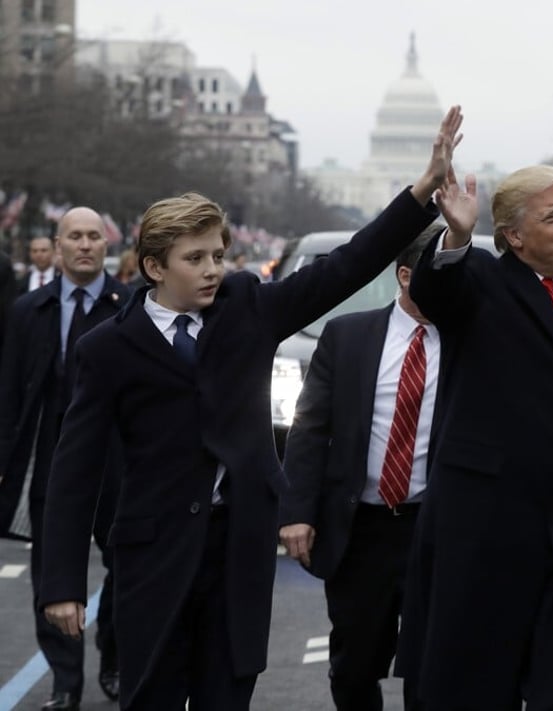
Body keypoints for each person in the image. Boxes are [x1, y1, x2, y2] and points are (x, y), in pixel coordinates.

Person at [37, 105, 466, 711]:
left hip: (237, 548)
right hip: (152, 553)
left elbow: (348, 265)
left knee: (227, 697)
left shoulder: (248, 310)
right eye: (196, 259)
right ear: (155, 266)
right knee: (150, 696)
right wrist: (61, 584)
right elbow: (73, 470)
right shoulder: (106, 348)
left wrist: (422, 190)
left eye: (218, 254)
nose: (213, 269)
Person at [396, 164, 553, 710]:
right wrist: (458, 235)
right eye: (551, 216)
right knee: (475, 690)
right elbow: (438, 292)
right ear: (513, 235)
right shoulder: (483, 282)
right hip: (487, 534)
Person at [278, 228, 444, 711]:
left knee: (432, 666)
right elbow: (310, 429)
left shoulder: (468, 341)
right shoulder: (348, 336)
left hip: (433, 530)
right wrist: (297, 512)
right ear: (405, 276)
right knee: (355, 665)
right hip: (361, 530)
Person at [0, 207, 129, 710]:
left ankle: (114, 655)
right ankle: (64, 680)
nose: (84, 245)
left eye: (93, 237)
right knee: (50, 570)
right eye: (73, 236)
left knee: (126, 562)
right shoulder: (28, 310)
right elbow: (9, 390)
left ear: (106, 245)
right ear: (57, 246)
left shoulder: (129, 306)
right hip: (51, 460)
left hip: (117, 461)